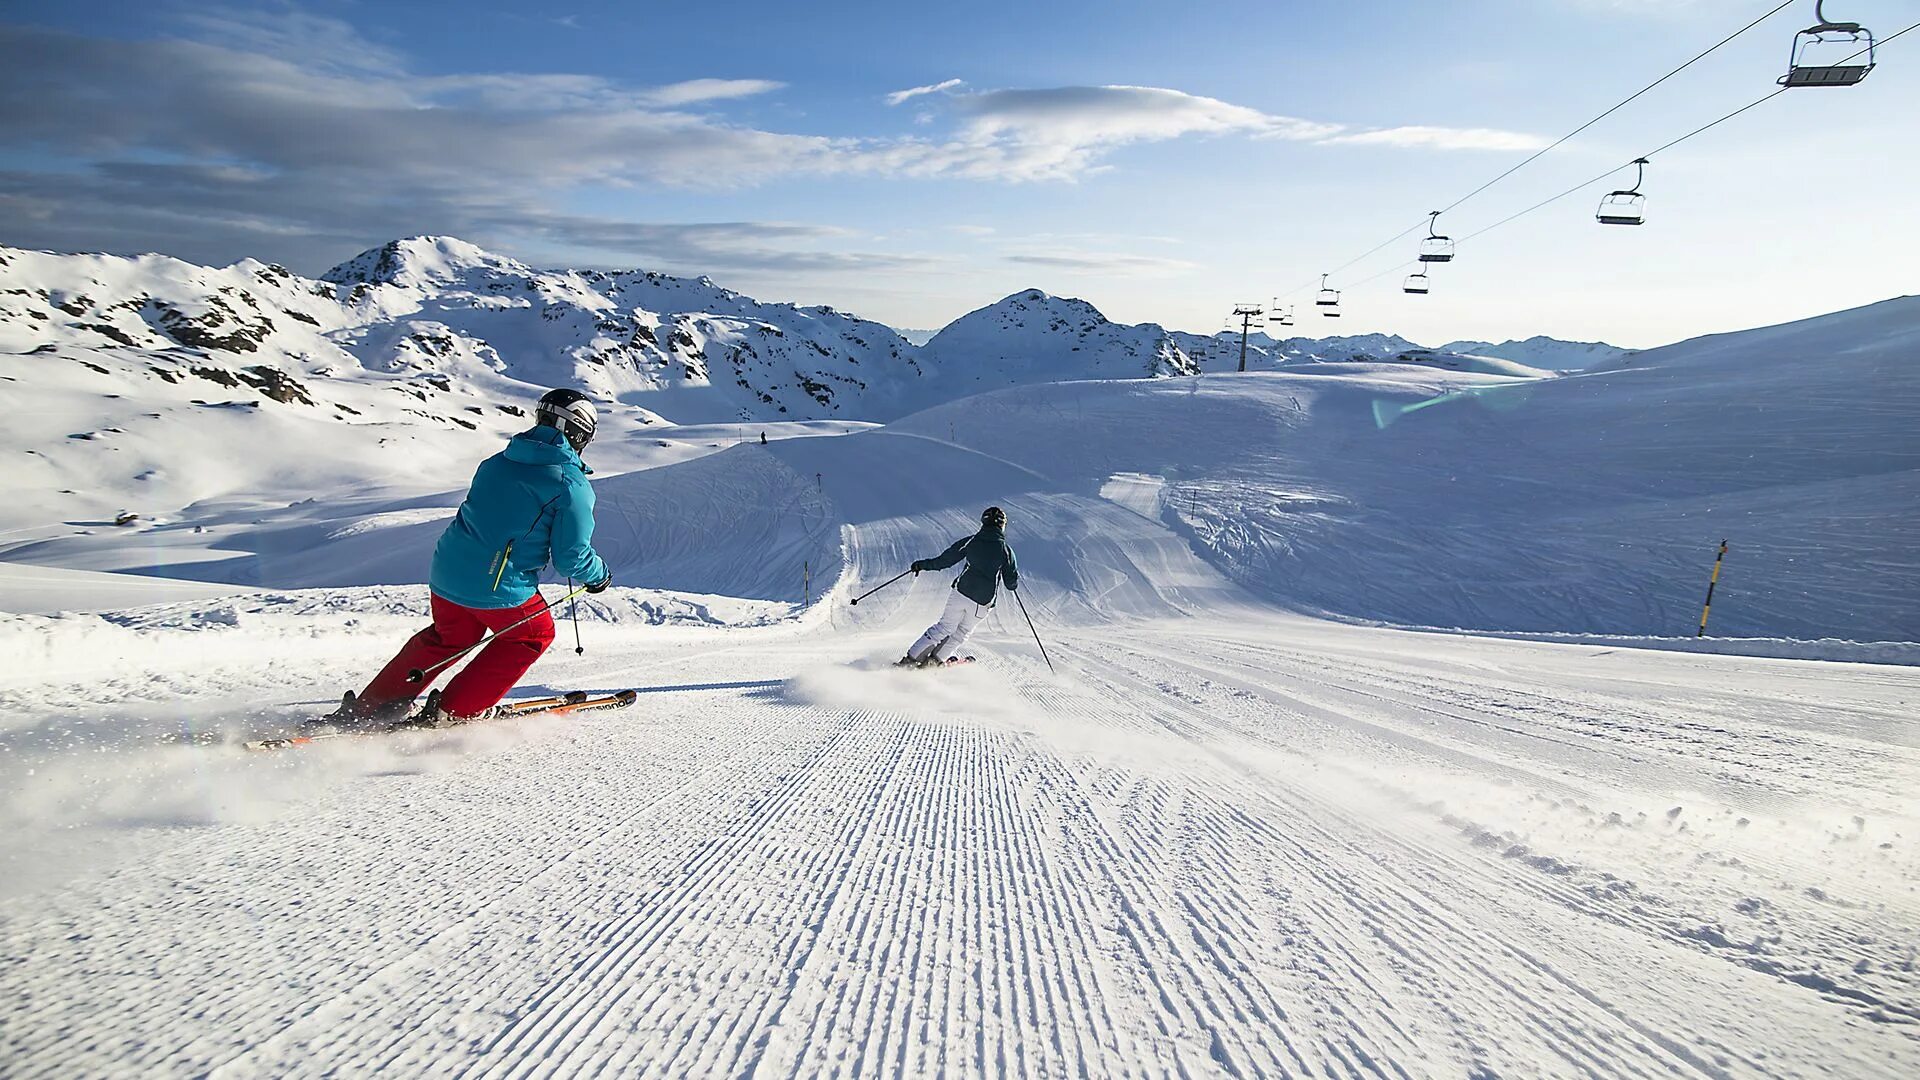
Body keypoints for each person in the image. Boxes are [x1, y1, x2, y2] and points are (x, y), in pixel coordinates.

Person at [335, 388, 612, 726]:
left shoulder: (497, 462)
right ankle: (457, 710)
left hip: (447, 570)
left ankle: (373, 706)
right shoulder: (571, 485)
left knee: (450, 637)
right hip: (497, 585)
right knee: (531, 635)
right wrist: (598, 576)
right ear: (577, 432)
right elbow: (571, 558)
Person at [900, 506, 1018, 666]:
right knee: (961, 632)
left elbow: (944, 561)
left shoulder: (971, 541)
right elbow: (1010, 584)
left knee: (943, 627)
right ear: (1002, 525)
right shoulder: (1006, 551)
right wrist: (1013, 578)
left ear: (983, 522)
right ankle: (934, 662)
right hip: (982, 603)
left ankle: (911, 660)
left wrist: (921, 565)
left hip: (961, 593)